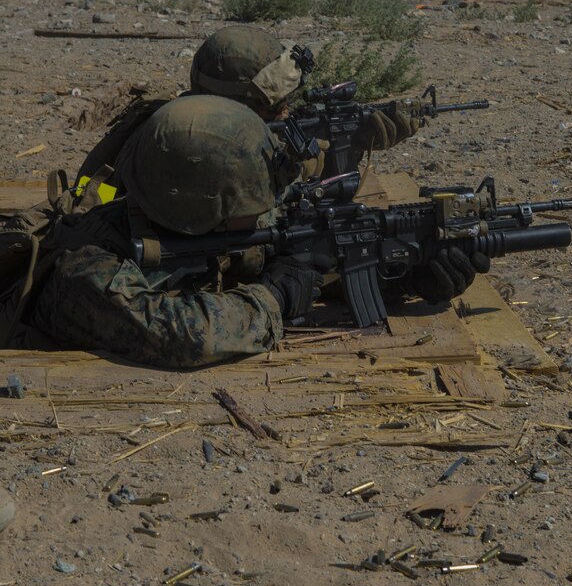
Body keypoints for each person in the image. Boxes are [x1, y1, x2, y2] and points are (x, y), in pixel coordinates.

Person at [10, 96, 323, 368]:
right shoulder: (90, 273)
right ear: (201, 211)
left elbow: (233, 250)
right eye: (251, 204)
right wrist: (276, 296)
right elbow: (185, 336)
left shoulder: (168, 220)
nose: (262, 211)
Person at [74, 24, 419, 200]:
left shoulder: (198, 119)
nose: (285, 114)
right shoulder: (186, 146)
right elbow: (265, 194)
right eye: (270, 106)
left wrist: (353, 138)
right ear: (228, 103)